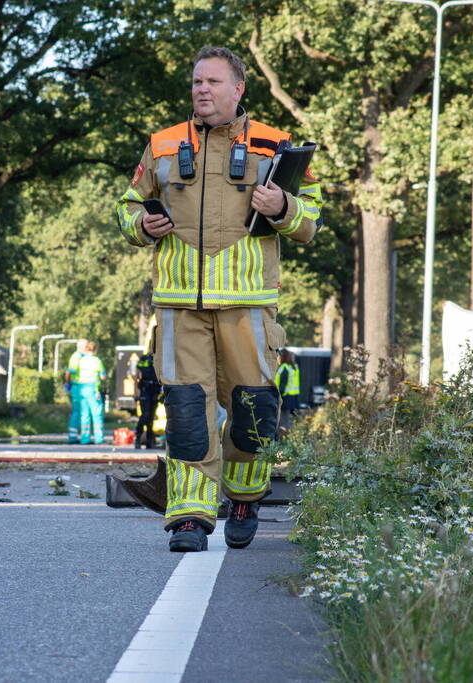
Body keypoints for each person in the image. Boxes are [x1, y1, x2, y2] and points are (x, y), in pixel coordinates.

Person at [116, 46, 321, 553]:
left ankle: (245, 497)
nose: (201, 90)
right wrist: (141, 223)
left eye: (211, 82)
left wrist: (283, 206)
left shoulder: (275, 145)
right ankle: (189, 517)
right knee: (186, 416)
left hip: (249, 306)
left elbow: (311, 219)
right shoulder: (162, 146)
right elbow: (126, 209)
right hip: (179, 305)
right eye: (195, 82)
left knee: (253, 414)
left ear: (238, 89)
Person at [132, 352, 160, 449]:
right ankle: (138, 437)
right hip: (145, 389)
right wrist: (135, 393)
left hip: (155, 390)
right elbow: (136, 376)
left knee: (151, 417)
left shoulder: (160, 358)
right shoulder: (144, 359)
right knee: (145, 415)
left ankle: (149, 440)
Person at [82, 341, 107, 444]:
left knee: (84, 415)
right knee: (96, 414)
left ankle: (84, 439)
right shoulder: (97, 361)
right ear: (95, 350)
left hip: (82, 389)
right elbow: (102, 376)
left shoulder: (81, 360)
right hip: (93, 389)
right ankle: (99, 438)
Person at [64, 339, 87, 443]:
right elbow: (68, 372)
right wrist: (68, 384)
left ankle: (81, 436)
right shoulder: (76, 357)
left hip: (81, 386)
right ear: (81, 347)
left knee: (81, 412)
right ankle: (73, 437)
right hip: (77, 387)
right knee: (77, 412)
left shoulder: (82, 357)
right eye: (86, 347)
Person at [275, 349, 300, 434]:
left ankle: (283, 438)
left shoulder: (284, 368)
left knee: (283, 420)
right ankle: (288, 435)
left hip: (284, 397)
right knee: (288, 419)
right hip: (293, 397)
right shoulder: (294, 367)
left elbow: (282, 385)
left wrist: (278, 396)